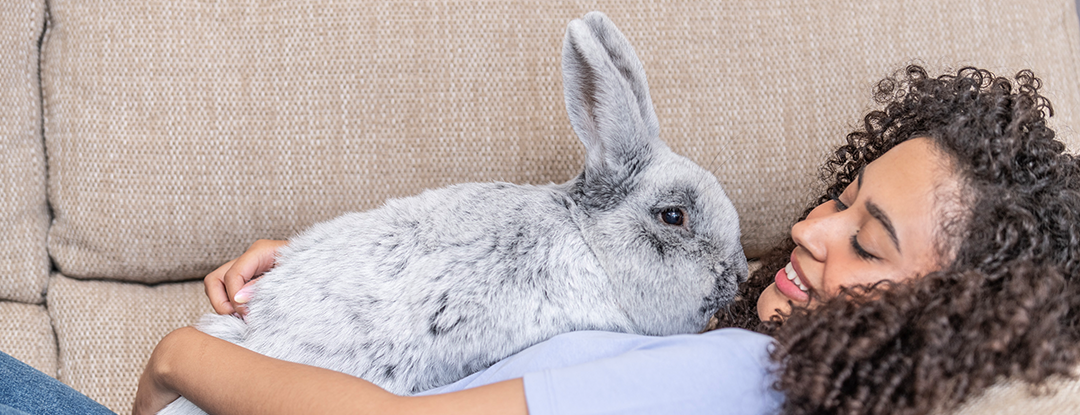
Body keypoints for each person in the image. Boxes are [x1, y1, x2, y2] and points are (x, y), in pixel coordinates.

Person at [1, 65, 1075, 415]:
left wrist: (178, 356)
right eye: (841, 194)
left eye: (867, 240)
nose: (807, 225)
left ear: (938, 323)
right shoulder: (727, 349)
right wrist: (313, 285)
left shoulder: (737, 373)